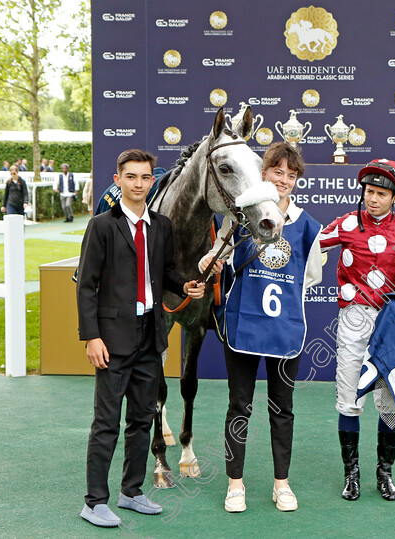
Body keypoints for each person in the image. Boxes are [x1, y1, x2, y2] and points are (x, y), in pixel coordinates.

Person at [76, 148, 206, 528]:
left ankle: (131, 492)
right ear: (118, 181)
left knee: (141, 418)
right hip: (112, 339)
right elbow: (86, 286)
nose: (138, 183)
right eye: (130, 177)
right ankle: (94, 501)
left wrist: (186, 285)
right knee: (106, 422)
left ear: (153, 181)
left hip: (150, 335)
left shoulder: (161, 226)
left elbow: (164, 274)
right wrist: (91, 337)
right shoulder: (101, 225)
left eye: (144, 177)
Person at [199, 142, 322, 513]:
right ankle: (235, 484)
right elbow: (214, 258)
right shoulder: (236, 220)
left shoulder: (308, 226)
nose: (283, 180)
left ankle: (281, 484)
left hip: (285, 330)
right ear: (263, 172)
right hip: (243, 326)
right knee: (239, 405)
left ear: (296, 180)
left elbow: (310, 276)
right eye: (277, 171)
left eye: (291, 174)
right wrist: (213, 264)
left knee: (282, 408)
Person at [318, 158, 395, 502]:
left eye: (381, 193)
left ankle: (385, 473)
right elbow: (309, 247)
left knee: (390, 402)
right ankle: (350, 475)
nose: (373, 198)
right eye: (369, 191)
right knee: (350, 397)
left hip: (392, 325)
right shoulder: (347, 224)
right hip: (354, 320)